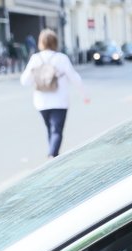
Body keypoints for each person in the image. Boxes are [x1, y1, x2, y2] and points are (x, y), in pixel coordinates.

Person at [19, 29, 89, 159]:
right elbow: (74, 78)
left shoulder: (35, 59)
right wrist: (84, 95)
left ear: (41, 43)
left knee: (50, 129)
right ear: (55, 42)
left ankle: (53, 153)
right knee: (56, 130)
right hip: (60, 101)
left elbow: (24, 81)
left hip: (41, 102)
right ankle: (52, 155)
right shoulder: (61, 58)